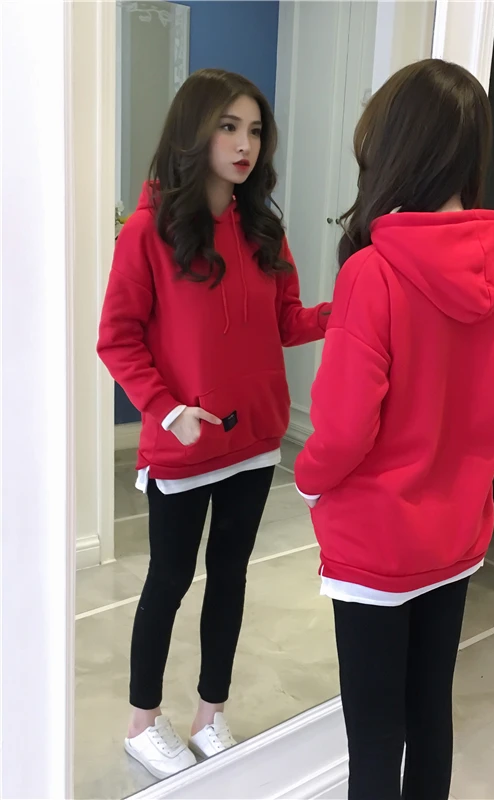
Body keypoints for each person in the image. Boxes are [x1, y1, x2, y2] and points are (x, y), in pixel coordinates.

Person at [294, 59, 494, 799]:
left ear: (394, 147)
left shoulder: (373, 273)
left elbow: (343, 429)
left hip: (376, 545)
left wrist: (307, 483)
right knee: (430, 716)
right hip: (457, 531)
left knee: (373, 741)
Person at [97, 68, 330, 779]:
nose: (244, 144)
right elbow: (117, 339)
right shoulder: (149, 231)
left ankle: (210, 714)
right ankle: (143, 723)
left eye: (254, 130)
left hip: (253, 444)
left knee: (229, 579)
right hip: (184, 446)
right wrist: (168, 410)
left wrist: (350, 307)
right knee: (168, 581)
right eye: (228, 127)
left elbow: (287, 323)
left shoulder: (264, 229)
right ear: (194, 132)